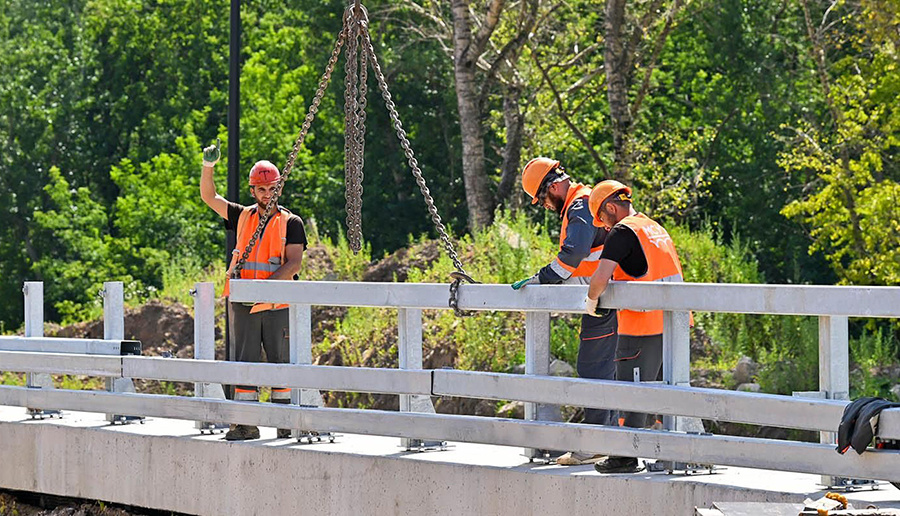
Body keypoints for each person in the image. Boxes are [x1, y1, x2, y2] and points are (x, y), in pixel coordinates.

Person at [511, 157, 617, 466]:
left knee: (593, 368)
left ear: (555, 186)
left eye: (543, 197)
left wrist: (543, 278)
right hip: (604, 296)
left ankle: (597, 443)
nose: (543, 205)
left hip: (605, 298)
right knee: (608, 370)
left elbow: (575, 253)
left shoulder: (580, 205)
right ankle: (613, 439)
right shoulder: (582, 203)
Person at [199, 139, 307, 441]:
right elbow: (209, 197)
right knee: (244, 363)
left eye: (272, 188)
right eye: (262, 189)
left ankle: (284, 421)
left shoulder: (292, 222)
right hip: (245, 304)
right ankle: (245, 424)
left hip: (276, 305)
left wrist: (267, 289)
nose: (267, 194)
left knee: (279, 363)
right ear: (253, 191)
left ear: (279, 188)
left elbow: (294, 263)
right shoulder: (242, 216)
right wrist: (209, 167)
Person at [584, 179, 689, 473]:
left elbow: (601, 277)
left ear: (611, 207)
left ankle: (624, 457)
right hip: (674, 325)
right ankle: (675, 453)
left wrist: (591, 301)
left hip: (640, 326)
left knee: (631, 392)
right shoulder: (654, 228)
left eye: (602, 218)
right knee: (667, 393)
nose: (603, 226)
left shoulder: (622, 231)